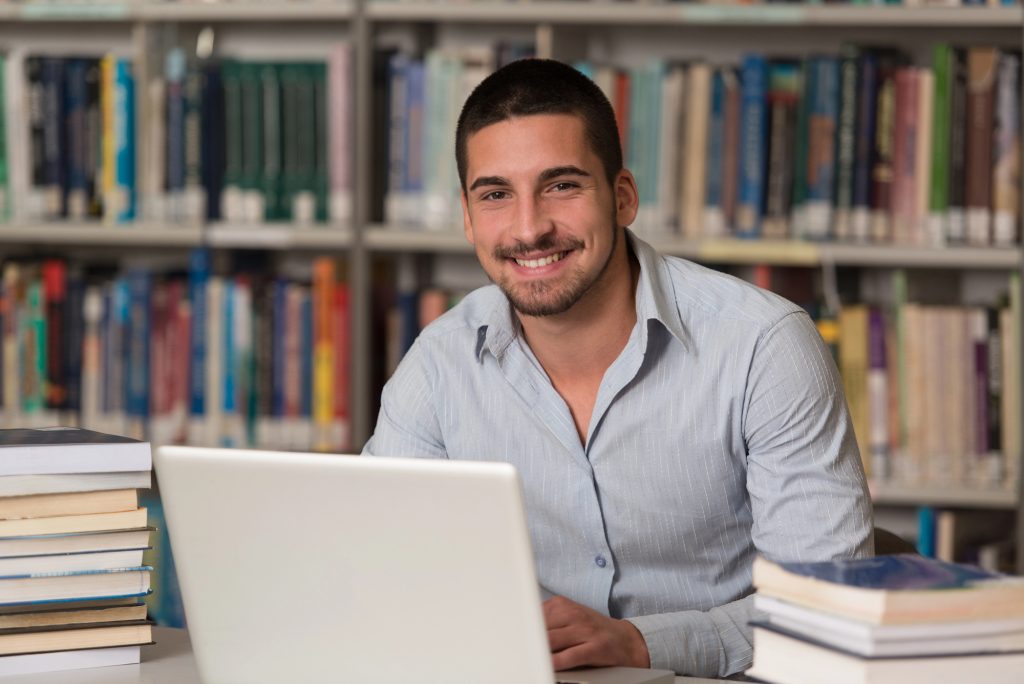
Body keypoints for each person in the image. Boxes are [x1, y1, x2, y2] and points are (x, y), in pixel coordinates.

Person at [363, 58, 873, 677]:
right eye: (496, 195)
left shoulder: (763, 347)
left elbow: (824, 614)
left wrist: (643, 644)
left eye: (561, 186)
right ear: (468, 218)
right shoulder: (438, 368)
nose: (529, 228)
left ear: (622, 197)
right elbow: (384, 581)